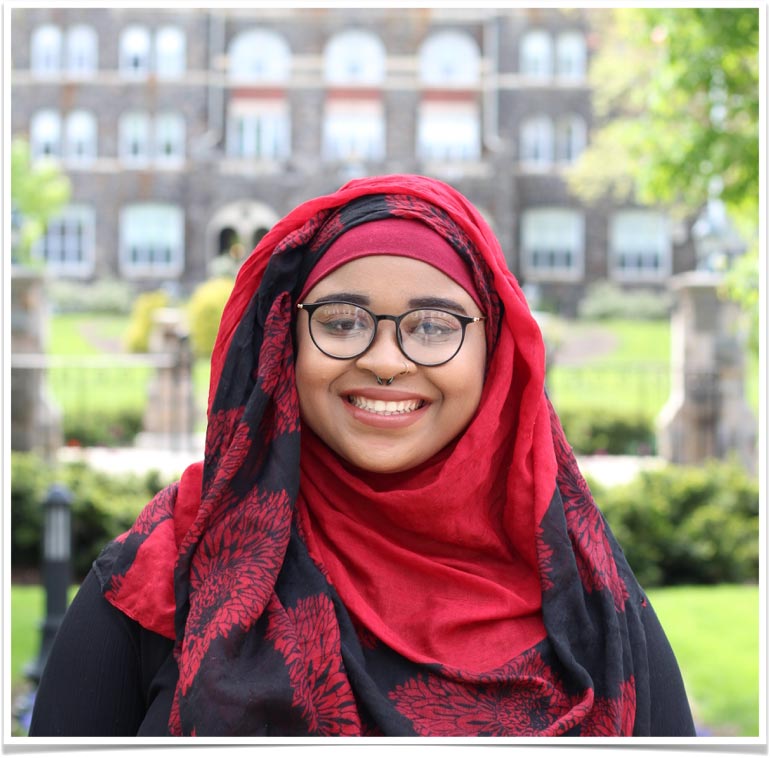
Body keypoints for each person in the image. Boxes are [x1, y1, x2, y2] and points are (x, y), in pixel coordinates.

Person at [29, 174, 695, 737]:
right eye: (342, 321)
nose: (384, 360)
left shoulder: (586, 592)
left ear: (492, 352)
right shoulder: (170, 565)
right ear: (287, 341)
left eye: (433, 326)